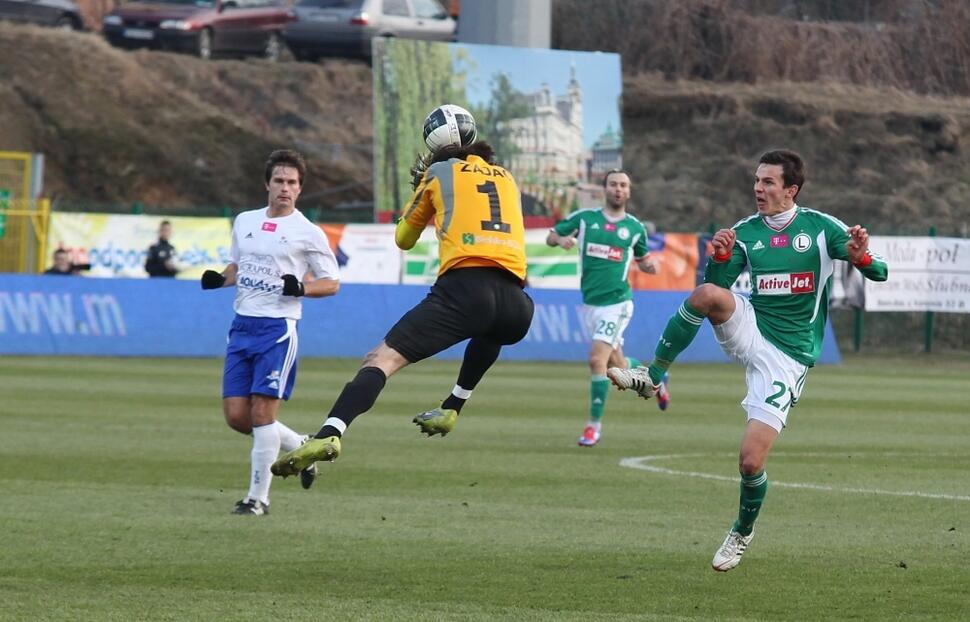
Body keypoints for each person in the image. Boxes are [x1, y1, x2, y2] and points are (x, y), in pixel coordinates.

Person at [607, 149, 888, 571]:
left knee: (750, 461)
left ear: (791, 189)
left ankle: (742, 529)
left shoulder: (820, 228)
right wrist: (720, 258)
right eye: (757, 181)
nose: (758, 188)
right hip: (752, 325)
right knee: (704, 296)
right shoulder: (746, 231)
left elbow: (880, 272)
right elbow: (716, 287)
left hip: (789, 356)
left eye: (769, 182)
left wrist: (862, 255)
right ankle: (652, 375)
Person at [271, 104, 534, 479]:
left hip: (466, 289)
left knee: (380, 360)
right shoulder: (507, 178)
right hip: (518, 305)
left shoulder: (438, 172)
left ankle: (330, 433)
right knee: (491, 329)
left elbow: (404, 239)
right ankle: (453, 407)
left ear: (436, 149)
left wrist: (421, 192)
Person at [200, 149, 340, 516]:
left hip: (278, 330)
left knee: (263, 413)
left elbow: (332, 283)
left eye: (292, 182)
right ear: (267, 183)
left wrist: (302, 288)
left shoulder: (308, 232)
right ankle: (302, 447)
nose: (285, 188)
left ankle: (257, 499)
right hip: (241, 326)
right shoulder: (245, 220)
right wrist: (221, 279)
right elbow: (238, 265)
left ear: (300, 189)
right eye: (279, 180)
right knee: (236, 417)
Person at [546, 169, 668, 447]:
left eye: (623, 185)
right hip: (591, 304)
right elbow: (551, 236)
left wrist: (650, 266)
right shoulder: (585, 219)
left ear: (629, 191)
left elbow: (644, 259)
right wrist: (560, 240)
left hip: (618, 303)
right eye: (613, 184)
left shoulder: (635, 228)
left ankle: (592, 427)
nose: (618, 189)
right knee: (619, 366)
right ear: (605, 189)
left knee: (596, 360)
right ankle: (657, 377)